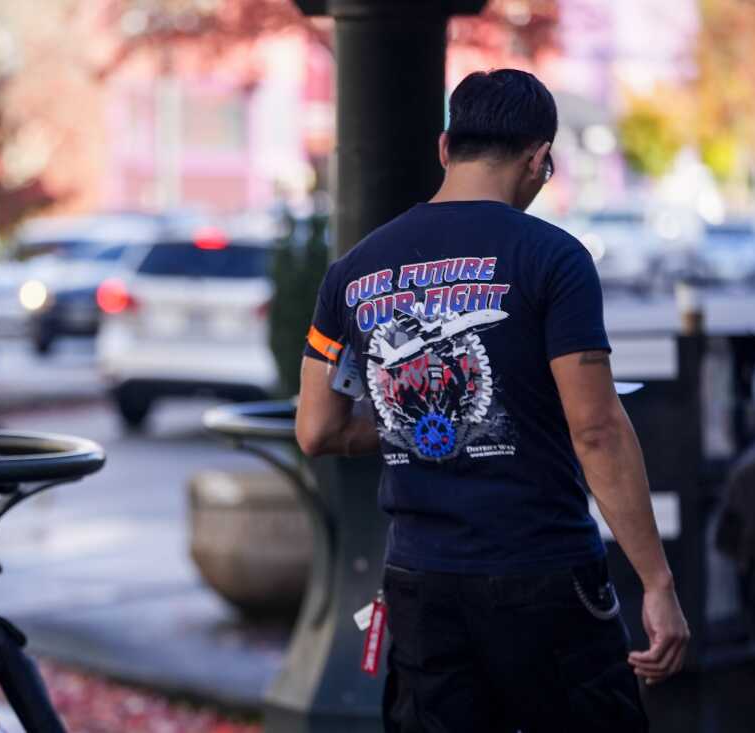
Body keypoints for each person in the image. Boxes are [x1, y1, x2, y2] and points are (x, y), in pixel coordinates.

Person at [295, 69, 689, 732]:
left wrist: (425, 425)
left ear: (445, 148)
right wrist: (658, 582)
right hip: (542, 572)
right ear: (540, 159)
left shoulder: (353, 271)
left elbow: (316, 429)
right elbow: (595, 428)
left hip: (421, 580)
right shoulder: (553, 258)